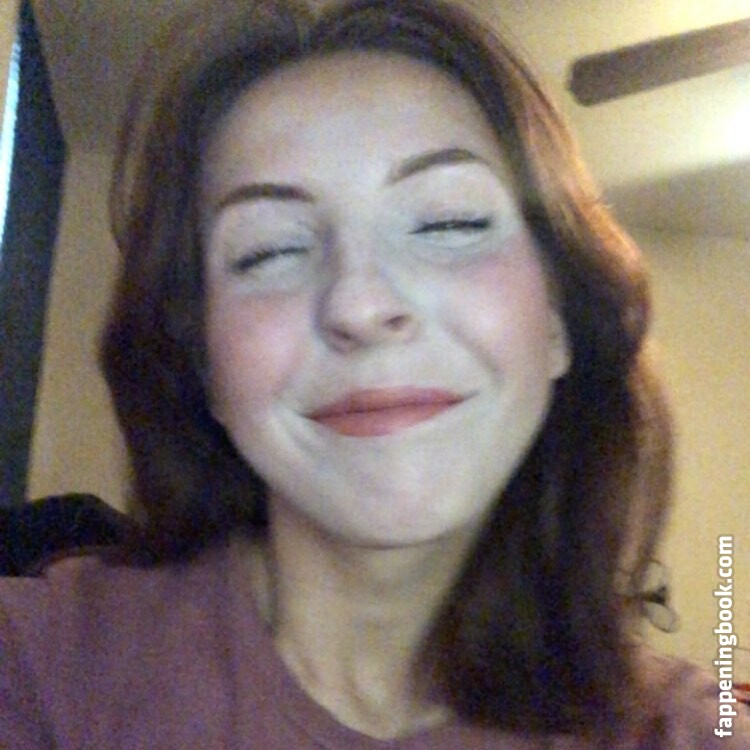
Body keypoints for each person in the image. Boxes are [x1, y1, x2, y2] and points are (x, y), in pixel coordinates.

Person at [1, 0, 747, 747]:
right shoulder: (38, 664)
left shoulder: (689, 730)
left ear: (557, 321)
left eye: (448, 222)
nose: (360, 306)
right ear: (205, 361)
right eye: (269, 250)